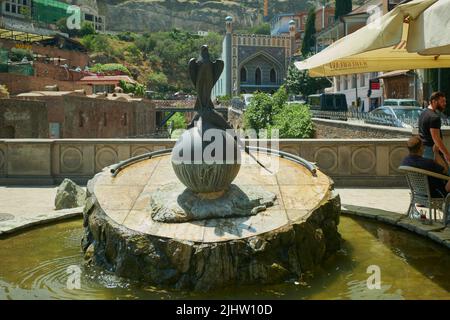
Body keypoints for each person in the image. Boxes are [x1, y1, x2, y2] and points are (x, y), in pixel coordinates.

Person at [418, 91, 448, 161]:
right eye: (442, 101)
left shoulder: (423, 113)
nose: (445, 104)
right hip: (432, 151)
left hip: (423, 150)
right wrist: (447, 154)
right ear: (434, 101)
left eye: (445, 101)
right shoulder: (434, 117)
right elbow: (436, 139)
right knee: (445, 170)